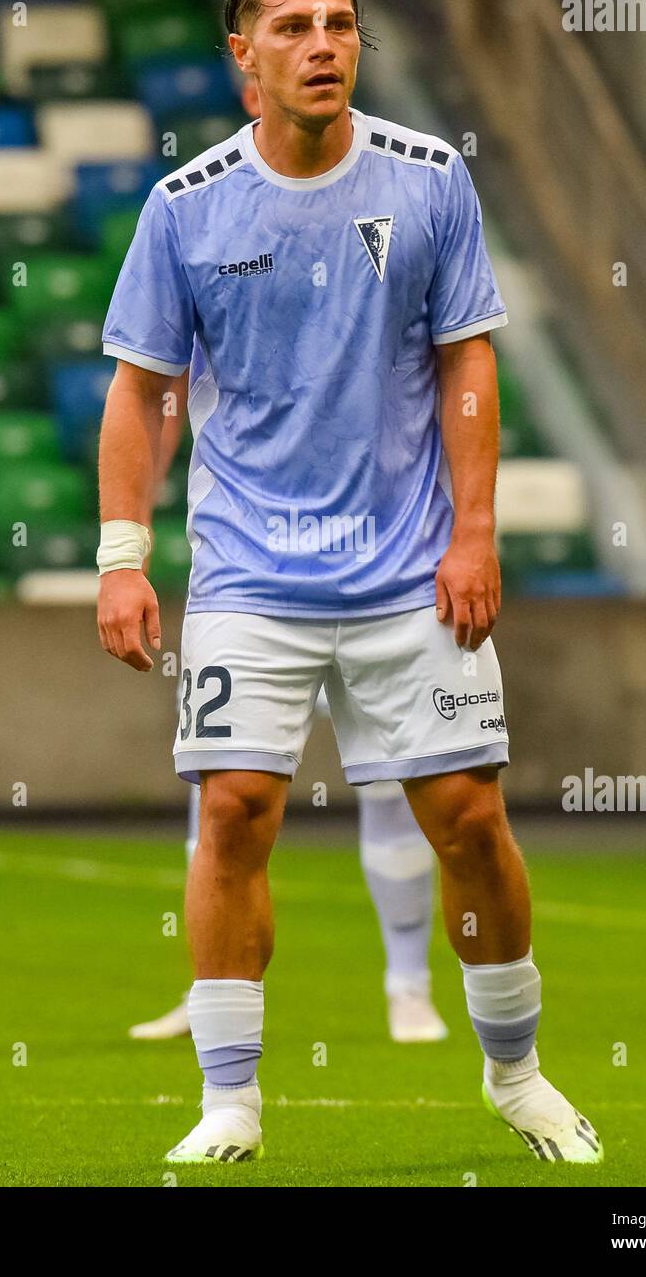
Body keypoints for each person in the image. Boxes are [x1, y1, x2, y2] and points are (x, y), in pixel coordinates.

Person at [97, 0, 602, 1167]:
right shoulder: (185, 207)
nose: (322, 44)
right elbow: (141, 389)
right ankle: (230, 1099)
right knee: (236, 810)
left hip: (406, 567)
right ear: (242, 58)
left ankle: (515, 1074)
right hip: (248, 571)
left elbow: (465, 361)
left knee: (468, 820)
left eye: (338, 23)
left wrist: (473, 533)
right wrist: (121, 553)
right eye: (292, 28)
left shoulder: (429, 178)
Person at [129, 383, 448, 1046]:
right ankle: (207, 988)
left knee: (394, 780)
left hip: (377, 574)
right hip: (255, 580)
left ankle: (409, 985)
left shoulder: (375, 295)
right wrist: (133, 522)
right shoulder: (224, 282)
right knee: (222, 791)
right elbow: (156, 390)